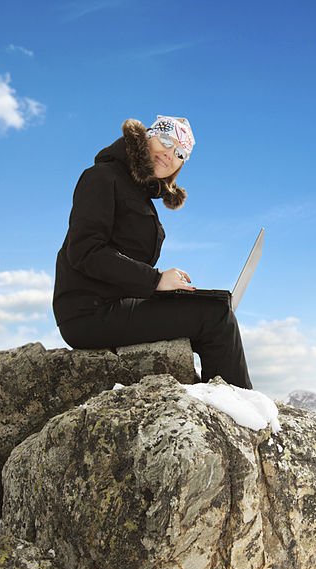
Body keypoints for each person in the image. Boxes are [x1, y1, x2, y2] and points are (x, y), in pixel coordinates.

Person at [52, 115, 253, 389]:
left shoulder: (139, 195)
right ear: (147, 136)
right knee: (215, 315)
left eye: (180, 153)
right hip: (88, 312)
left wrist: (163, 288)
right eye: (166, 140)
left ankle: (221, 402)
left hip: (114, 303)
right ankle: (239, 409)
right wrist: (155, 279)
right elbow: (85, 250)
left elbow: (123, 262)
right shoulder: (101, 177)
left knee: (216, 305)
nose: (170, 154)